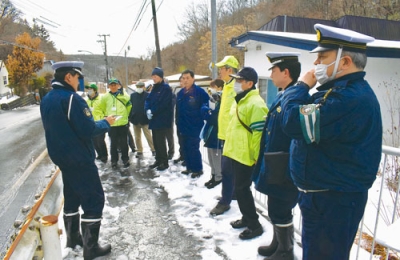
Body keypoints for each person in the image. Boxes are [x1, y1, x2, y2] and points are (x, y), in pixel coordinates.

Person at [281, 24, 382, 260]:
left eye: (322, 57)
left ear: (345, 62)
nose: (316, 64)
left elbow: (292, 123)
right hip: (325, 198)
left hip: (333, 201)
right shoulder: (338, 91)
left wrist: (300, 86)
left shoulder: (349, 98)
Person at [40, 61, 113, 259]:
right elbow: (87, 129)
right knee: (93, 199)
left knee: (71, 197)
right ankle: (91, 247)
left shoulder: (47, 98)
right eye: (78, 77)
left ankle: (73, 238)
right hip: (80, 158)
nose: (80, 81)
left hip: (62, 158)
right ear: (68, 77)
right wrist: (106, 123)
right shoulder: (72, 99)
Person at [253, 52, 301, 259]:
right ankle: (278, 242)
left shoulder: (296, 96)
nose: (271, 75)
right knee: (275, 208)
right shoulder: (284, 94)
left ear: (286, 72)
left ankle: (286, 250)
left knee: (281, 207)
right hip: (275, 163)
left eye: (273, 70)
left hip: (284, 166)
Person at [224, 67, 268, 240]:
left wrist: (257, 157)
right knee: (240, 189)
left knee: (243, 189)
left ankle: (254, 225)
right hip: (236, 152)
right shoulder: (240, 100)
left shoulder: (256, 104)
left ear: (250, 83)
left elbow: (259, 134)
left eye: (240, 81)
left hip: (246, 156)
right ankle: (246, 217)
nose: (236, 83)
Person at [210, 55, 239, 216]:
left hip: (232, 136)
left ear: (229, 70)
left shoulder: (236, 86)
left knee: (227, 169)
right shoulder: (227, 86)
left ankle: (225, 201)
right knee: (229, 169)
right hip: (224, 133)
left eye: (221, 68)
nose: (219, 71)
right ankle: (231, 193)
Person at [176, 69, 209, 178]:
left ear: (193, 79)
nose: (185, 80)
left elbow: (205, 106)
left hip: (195, 126)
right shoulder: (180, 93)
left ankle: (197, 169)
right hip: (183, 126)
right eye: (183, 78)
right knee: (185, 147)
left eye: (188, 78)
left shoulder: (199, 92)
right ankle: (189, 167)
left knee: (193, 148)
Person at [94, 77, 132, 169]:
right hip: (112, 124)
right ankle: (114, 161)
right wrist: (105, 117)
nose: (113, 86)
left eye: (115, 84)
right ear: (109, 86)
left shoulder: (125, 95)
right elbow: (101, 108)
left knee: (124, 143)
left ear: (118, 85)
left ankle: (125, 159)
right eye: (111, 85)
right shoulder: (105, 97)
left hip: (123, 123)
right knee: (113, 143)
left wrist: (125, 116)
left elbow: (129, 106)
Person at [145, 67, 173, 171]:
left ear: (161, 77)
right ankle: (158, 159)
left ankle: (164, 162)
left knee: (161, 142)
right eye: (153, 76)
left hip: (162, 119)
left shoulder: (165, 88)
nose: (154, 78)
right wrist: (147, 109)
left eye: (155, 76)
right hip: (154, 120)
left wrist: (152, 111)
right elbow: (148, 100)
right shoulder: (154, 88)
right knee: (156, 141)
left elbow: (163, 104)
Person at [201, 79, 224, 188]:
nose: (212, 90)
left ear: (220, 87)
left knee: (216, 156)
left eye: (213, 87)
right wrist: (207, 112)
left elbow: (215, 118)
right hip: (210, 133)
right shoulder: (213, 99)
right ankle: (213, 175)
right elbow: (203, 109)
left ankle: (218, 177)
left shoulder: (223, 100)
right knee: (211, 156)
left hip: (217, 133)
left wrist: (209, 113)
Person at [129, 81, 155, 158]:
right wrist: (131, 117)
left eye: (140, 87)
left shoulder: (148, 95)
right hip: (135, 119)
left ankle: (153, 149)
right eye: (138, 87)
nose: (139, 88)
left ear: (143, 87)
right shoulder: (133, 96)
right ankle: (139, 150)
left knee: (148, 136)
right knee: (137, 137)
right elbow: (130, 106)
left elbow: (150, 105)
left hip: (144, 119)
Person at [85, 83, 108, 163]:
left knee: (100, 141)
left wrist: (105, 119)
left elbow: (105, 110)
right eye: (88, 89)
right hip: (91, 123)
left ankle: (104, 156)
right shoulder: (87, 101)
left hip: (100, 123)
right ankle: (99, 154)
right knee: (94, 141)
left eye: (90, 89)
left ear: (95, 90)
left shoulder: (100, 99)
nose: (89, 91)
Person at [173, 75, 186, 166]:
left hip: (187, 122)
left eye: (183, 81)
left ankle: (187, 158)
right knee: (181, 140)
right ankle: (182, 155)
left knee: (187, 141)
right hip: (179, 121)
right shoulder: (179, 93)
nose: (182, 83)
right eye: (180, 82)